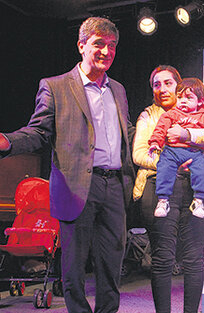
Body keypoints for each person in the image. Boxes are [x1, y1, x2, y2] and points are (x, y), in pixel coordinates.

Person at [0, 17, 135, 312]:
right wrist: (7, 142)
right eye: (99, 44)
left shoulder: (119, 90)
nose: (106, 51)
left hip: (114, 186)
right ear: (81, 46)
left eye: (112, 46)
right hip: (76, 188)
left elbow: (128, 133)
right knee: (73, 271)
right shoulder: (56, 86)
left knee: (112, 268)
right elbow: (38, 132)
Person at [132, 65, 204, 313]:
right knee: (162, 258)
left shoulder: (200, 114)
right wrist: (171, 163)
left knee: (194, 259)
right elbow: (138, 154)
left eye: (168, 83)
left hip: (196, 188)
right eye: (156, 85)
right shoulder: (148, 116)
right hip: (160, 186)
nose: (162, 89)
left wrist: (189, 133)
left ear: (180, 87)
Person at [148, 78, 204, 219]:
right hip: (172, 151)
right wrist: (155, 143)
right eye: (180, 97)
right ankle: (163, 201)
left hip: (193, 152)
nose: (183, 101)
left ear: (200, 101)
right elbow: (160, 129)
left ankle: (198, 201)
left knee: (202, 172)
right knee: (164, 169)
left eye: (189, 98)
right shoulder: (170, 115)